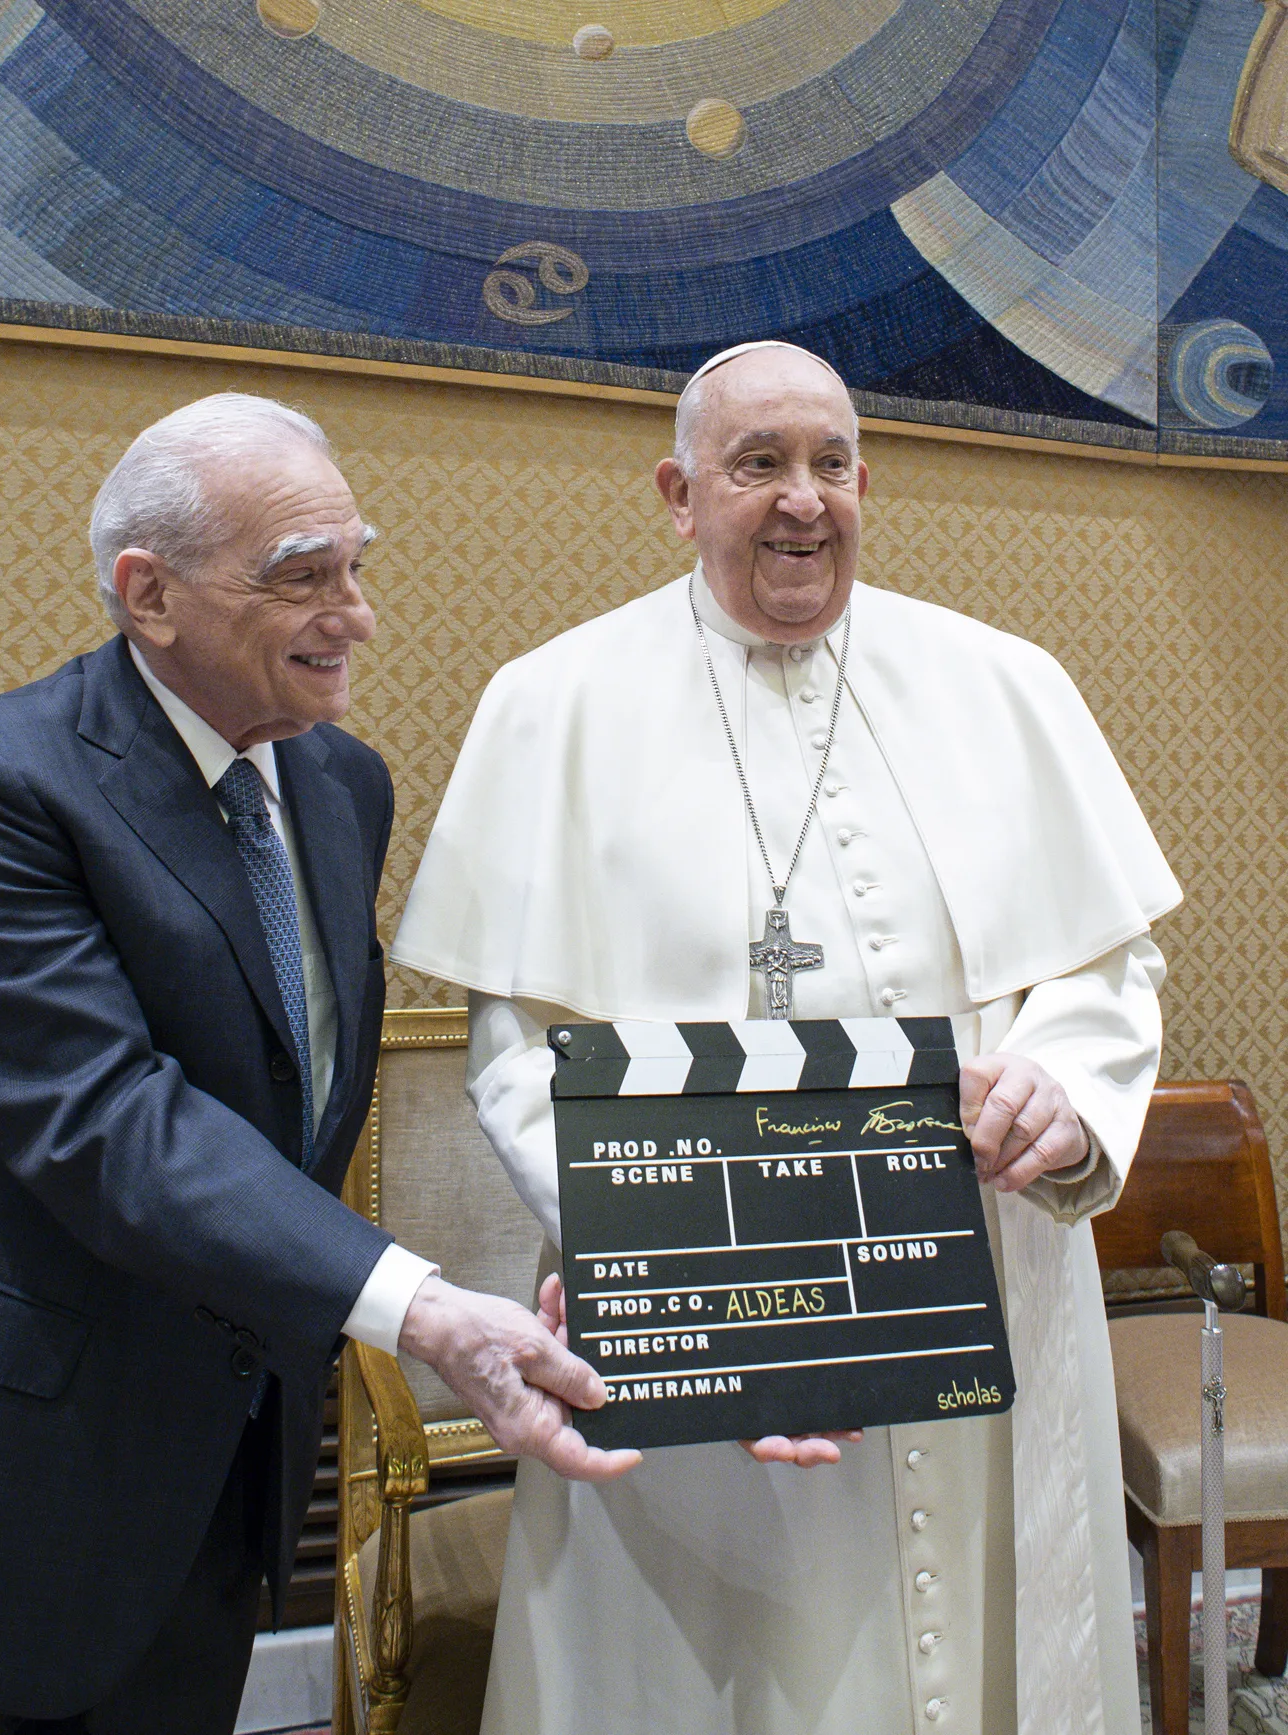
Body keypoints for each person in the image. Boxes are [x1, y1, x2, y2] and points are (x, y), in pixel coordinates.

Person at [0, 393, 635, 1735]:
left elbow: (286, 1089)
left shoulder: (341, 786)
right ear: (148, 595)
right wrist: (423, 1304)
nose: (356, 614)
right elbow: (107, 1120)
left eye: (356, 564)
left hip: (207, 1506)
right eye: (302, 577)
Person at [393, 342, 1182, 1735]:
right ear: (679, 493)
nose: (802, 499)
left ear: (868, 481)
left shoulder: (1007, 686)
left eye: (830, 463)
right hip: (703, 1322)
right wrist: (660, 1246)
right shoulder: (554, 703)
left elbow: (1105, 969)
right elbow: (521, 1046)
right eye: (759, 463)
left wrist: (1067, 1081)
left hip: (980, 1289)